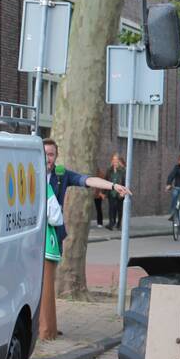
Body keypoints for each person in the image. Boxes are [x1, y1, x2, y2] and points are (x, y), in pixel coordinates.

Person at [41, 139, 130, 340]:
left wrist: (113, 186)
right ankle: (42, 326)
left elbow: (87, 180)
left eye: (51, 154)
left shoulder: (61, 175)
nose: (47, 158)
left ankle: (47, 327)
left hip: (52, 235)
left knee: (48, 280)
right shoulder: (29, 172)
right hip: (32, 234)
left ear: (56, 156)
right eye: (44, 153)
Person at [106, 153, 127, 230]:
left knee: (119, 209)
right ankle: (111, 223)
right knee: (111, 209)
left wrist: (123, 192)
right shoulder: (109, 170)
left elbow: (125, 181)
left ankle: (119, 223)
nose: (115, 161)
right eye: (113, 159)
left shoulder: (122, 171)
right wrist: (103, 192)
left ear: (119, 161)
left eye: (116, 160)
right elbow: (106, 180)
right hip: (111, 192)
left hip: (120, 193)